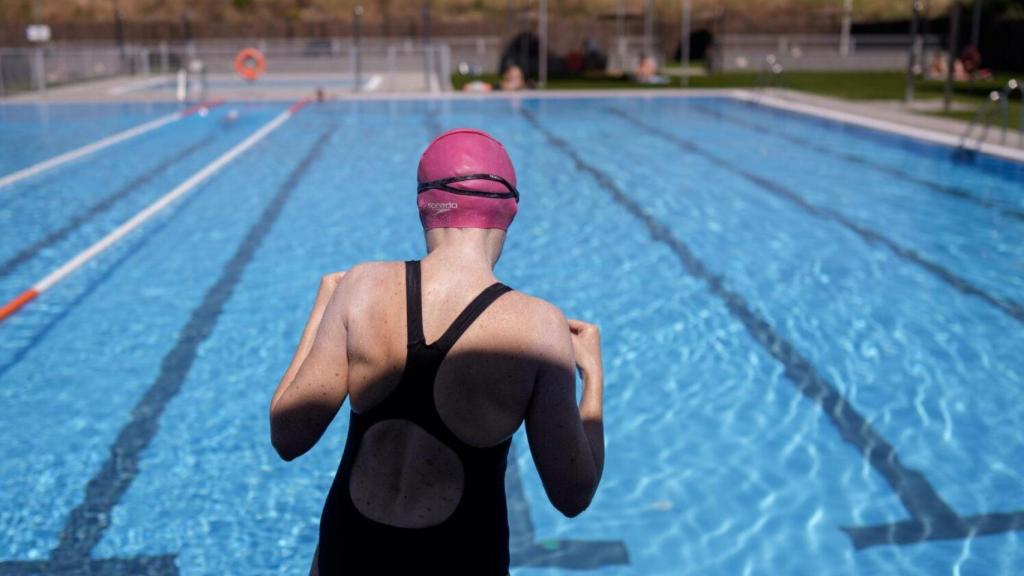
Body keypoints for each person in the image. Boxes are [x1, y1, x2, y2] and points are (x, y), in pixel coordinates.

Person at [269, 128, 606, 575]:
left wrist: (323, 309)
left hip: (350, 554)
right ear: (510, 212)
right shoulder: (537, 327)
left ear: (424, 207)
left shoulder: (363, 288)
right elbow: (573, 495)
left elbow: (288, 437)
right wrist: (594, 380)